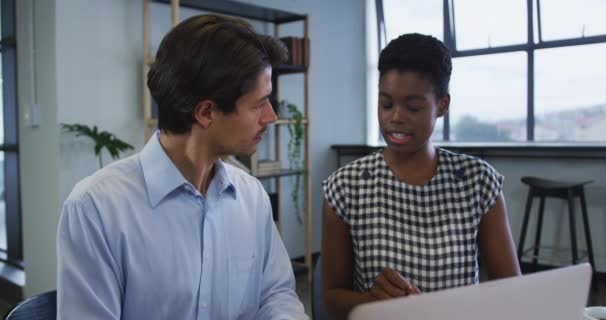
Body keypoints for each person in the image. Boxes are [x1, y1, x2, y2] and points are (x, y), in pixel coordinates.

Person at [57, 14, 308, 320]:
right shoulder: (96, 209)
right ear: (206, 112)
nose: (271, 117)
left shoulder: (251, 196)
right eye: (259, 104)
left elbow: (276, 293)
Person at [321, 33, 521, 320]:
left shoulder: (478, 182)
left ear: (442, 105)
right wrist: (370, 300)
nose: (396, 117)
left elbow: (511, 291)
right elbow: (331, 298)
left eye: (413, 107)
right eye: (386, 104)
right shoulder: (345, 188)